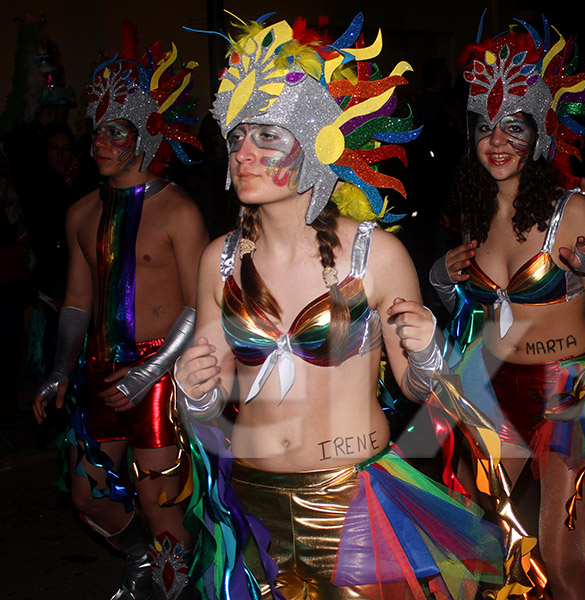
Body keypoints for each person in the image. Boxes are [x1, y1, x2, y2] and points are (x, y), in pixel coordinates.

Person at [174, 15, 503, 600]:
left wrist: (428, 350)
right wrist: (193, 388)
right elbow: (216, 387)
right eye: (237, 137)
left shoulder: (375, 255)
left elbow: (416, 387)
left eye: (266, 136)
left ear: (317, 144)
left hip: (353, 503)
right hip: (252, 501)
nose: (244, 154)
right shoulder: (218, 261)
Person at [429, 16, 585, 599]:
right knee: (477, 541)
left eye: (513, 127)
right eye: (486, 127)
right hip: (496, 387)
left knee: (563, 561)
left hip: (567, 395)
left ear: (540, 135)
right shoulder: (473, 211)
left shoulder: (574, 211)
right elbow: (476, 317)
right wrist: (443, 284)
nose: (497, 142)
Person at [32, 40, 207, 600]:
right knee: (88, 496)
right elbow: (77, 302)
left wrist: (150, 371)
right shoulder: (82, 212)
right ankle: (140, 559)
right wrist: (60, 369)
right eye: (98, 130)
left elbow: (200, 305)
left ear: (147, 137)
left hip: (161, 376)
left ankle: (170, 581)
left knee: (164, 513)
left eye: (117, 133)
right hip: (100, 375)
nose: (100, 143)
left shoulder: (177, 209)